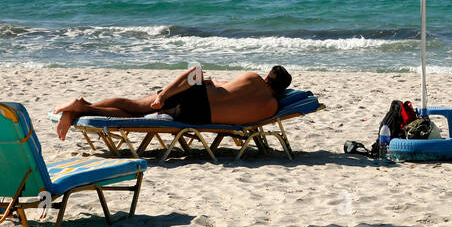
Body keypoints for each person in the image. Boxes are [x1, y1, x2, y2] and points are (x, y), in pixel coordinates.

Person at [54, 65, 292, 140]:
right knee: (135, 116)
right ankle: (82, 109)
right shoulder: (272, 108)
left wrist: (211, 84)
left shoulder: (252, 78)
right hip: (198, 116)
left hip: (198, 96)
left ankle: (83, 107)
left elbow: (223, 86)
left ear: (266, 76)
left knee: (136, 105)